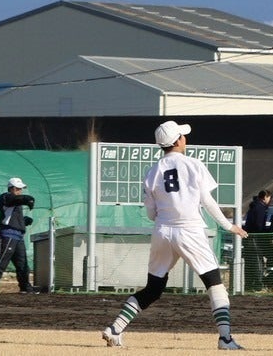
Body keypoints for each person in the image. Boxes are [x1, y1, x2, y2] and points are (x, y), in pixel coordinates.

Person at [100, 120, 249, 350]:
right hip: (189, 230)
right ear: (179, 140)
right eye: (183, 135)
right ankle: (225, 338)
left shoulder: (152, 171)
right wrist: (229, 226)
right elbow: (207, 201)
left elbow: (151, 213)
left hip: (162, 230)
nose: (185, 139)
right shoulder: (193, 164)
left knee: (153, 289)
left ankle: (115, 329)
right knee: (215, 285)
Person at [0, 176, 36, 293]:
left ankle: (25, 288)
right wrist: (28, 199)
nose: (20, 191)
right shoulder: (6, 198)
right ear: (11, 189)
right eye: (18, 189)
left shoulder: (16, 202)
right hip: (8, 235)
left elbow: (11, 217)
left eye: (20, 189)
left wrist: (24, 221)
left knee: (23, 264)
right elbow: (14, 200)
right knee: (1, 263)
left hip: (18, 236)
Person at [242, 189, 273, 290]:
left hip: (249, 237)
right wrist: (265, 233)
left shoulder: (254, 207)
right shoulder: (260, 208)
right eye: (269, 198)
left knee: (251, 262)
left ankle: (249, 284)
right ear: (265, 197)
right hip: (255, 239)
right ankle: (257, 284)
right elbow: (259, 225)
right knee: (257, 262)